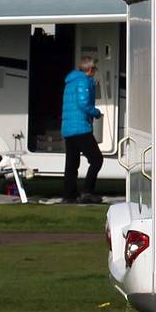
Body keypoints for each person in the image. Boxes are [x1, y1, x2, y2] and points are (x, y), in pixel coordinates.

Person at [61, 55, 105, 203]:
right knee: (97, 159)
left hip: (68, 128)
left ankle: (69, 195)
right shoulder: (83, 81)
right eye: (95, 69)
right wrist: (96, 113)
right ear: (90, 69)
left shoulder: (71, 81)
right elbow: (83, 104)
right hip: (80, 127)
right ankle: (87, 191)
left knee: (72, 163)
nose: (96, 72)